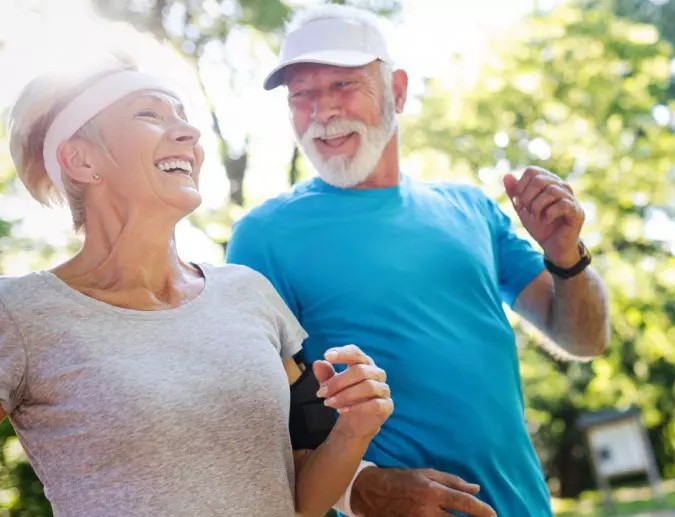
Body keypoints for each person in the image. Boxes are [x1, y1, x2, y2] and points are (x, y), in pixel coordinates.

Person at [226, 5, 611, 516]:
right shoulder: (263, 236)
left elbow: (585, 339)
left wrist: (567, 256)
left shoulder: (470, 208)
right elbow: (254, 427)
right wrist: (362, 489)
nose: (321, 112)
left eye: (343, 85)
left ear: (398, 91)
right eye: (302, 95)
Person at [1, 51, 393, 517]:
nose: (190, 133)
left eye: (184, 118)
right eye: (149, 113)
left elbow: (300, 503)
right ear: (82, 160)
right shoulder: (21, 313)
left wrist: (353, 430)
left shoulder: (250, 293)